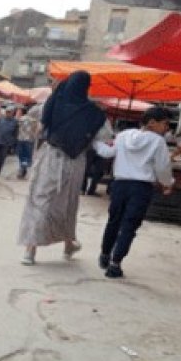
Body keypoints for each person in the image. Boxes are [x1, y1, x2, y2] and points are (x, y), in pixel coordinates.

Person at [18, 72, 113, 265]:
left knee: (40, 201)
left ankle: (30, 251)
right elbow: (104, 137)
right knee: (67, 204)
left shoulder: (52, 103)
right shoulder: (95, 113)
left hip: (50, 157)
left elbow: (34, 126)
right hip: (75, 162)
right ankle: (68, 245)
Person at [97, 107, 174, 279]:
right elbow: (162, 167)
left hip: (119, 185)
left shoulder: (124, 135)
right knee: (129, 226)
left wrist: (94, 142)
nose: (166, 128)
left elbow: (108, 152)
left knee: (114, 221)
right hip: (141, 188)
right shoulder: (158, 141)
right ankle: (115, 264)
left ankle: (104, 255)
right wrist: (168, 183)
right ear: (152, 123)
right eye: (165, 124)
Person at [0, 106, 18, 174]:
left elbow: (15, 133)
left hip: (6, 142)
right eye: (7, 112)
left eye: (9, 112)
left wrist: (13, 143)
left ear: (12, 113)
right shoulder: (0, 119)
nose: (8, 113)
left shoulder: (15, 122)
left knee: (2, 157)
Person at [15, 105, 39, 179]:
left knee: (21, 155)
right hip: (29, 141)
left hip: (21, 140)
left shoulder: (20, 119)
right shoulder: (34, 121)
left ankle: (22, 168)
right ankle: (24, 168)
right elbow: (36, 131)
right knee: (27, 156)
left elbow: (16, 127)